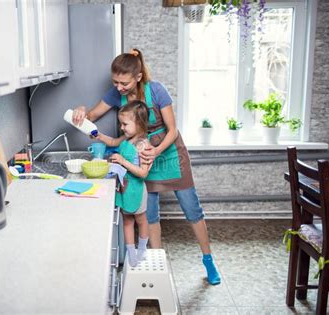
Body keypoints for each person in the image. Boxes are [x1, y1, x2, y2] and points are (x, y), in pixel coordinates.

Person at [72, 48, 221, 285]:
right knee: (149, 213)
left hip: (169, 152)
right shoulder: (116, 94)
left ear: (138, 77)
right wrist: (81, 111)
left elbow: (173, 130)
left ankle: (208, 260)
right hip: (141, 158)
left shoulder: (156, 90)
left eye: (124, 82)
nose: (118, 87)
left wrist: (156, 151)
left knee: (192, 209)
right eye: (115, 82)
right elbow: (91, 114)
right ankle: (156, 260)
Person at [97, 100, 151, 267]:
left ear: (139, 124)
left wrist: (122, 161)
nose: (122, 127)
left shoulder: (144, 145)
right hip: (124, 188)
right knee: (127, 221)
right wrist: (99, 136)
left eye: (125, 124)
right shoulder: (126, 139)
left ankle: (142, 249)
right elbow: (113, 142)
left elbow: (143, 173)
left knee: (141, 220)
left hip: (137, 190)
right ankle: (131, 252)